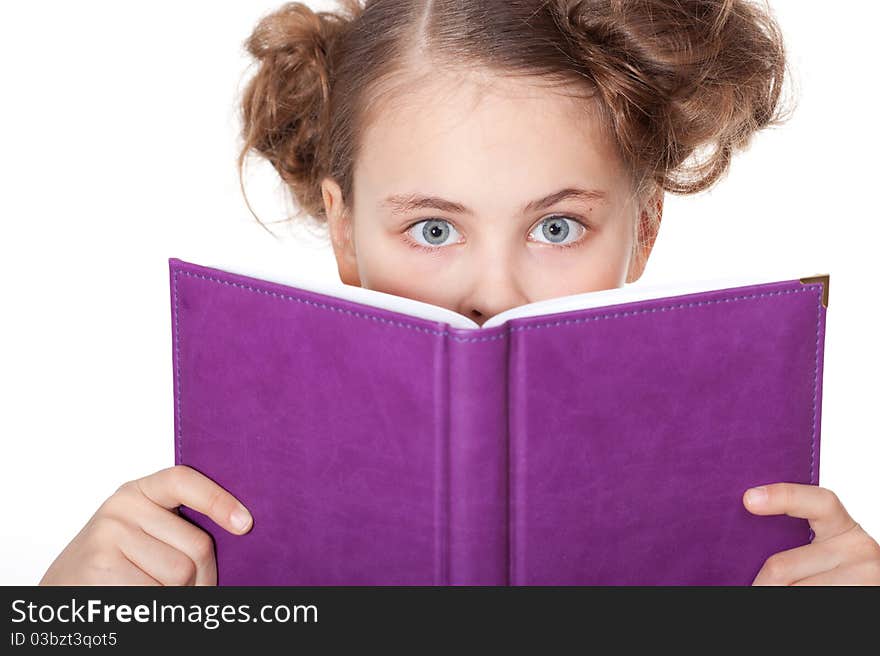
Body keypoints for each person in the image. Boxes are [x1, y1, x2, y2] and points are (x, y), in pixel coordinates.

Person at [39, 0, 880, 586]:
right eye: (434, 229)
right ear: (343, 229)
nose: (494, 293)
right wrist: (70, 623)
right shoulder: (196, 546)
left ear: (645, 228)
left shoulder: (773, 548)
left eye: (557, 227)